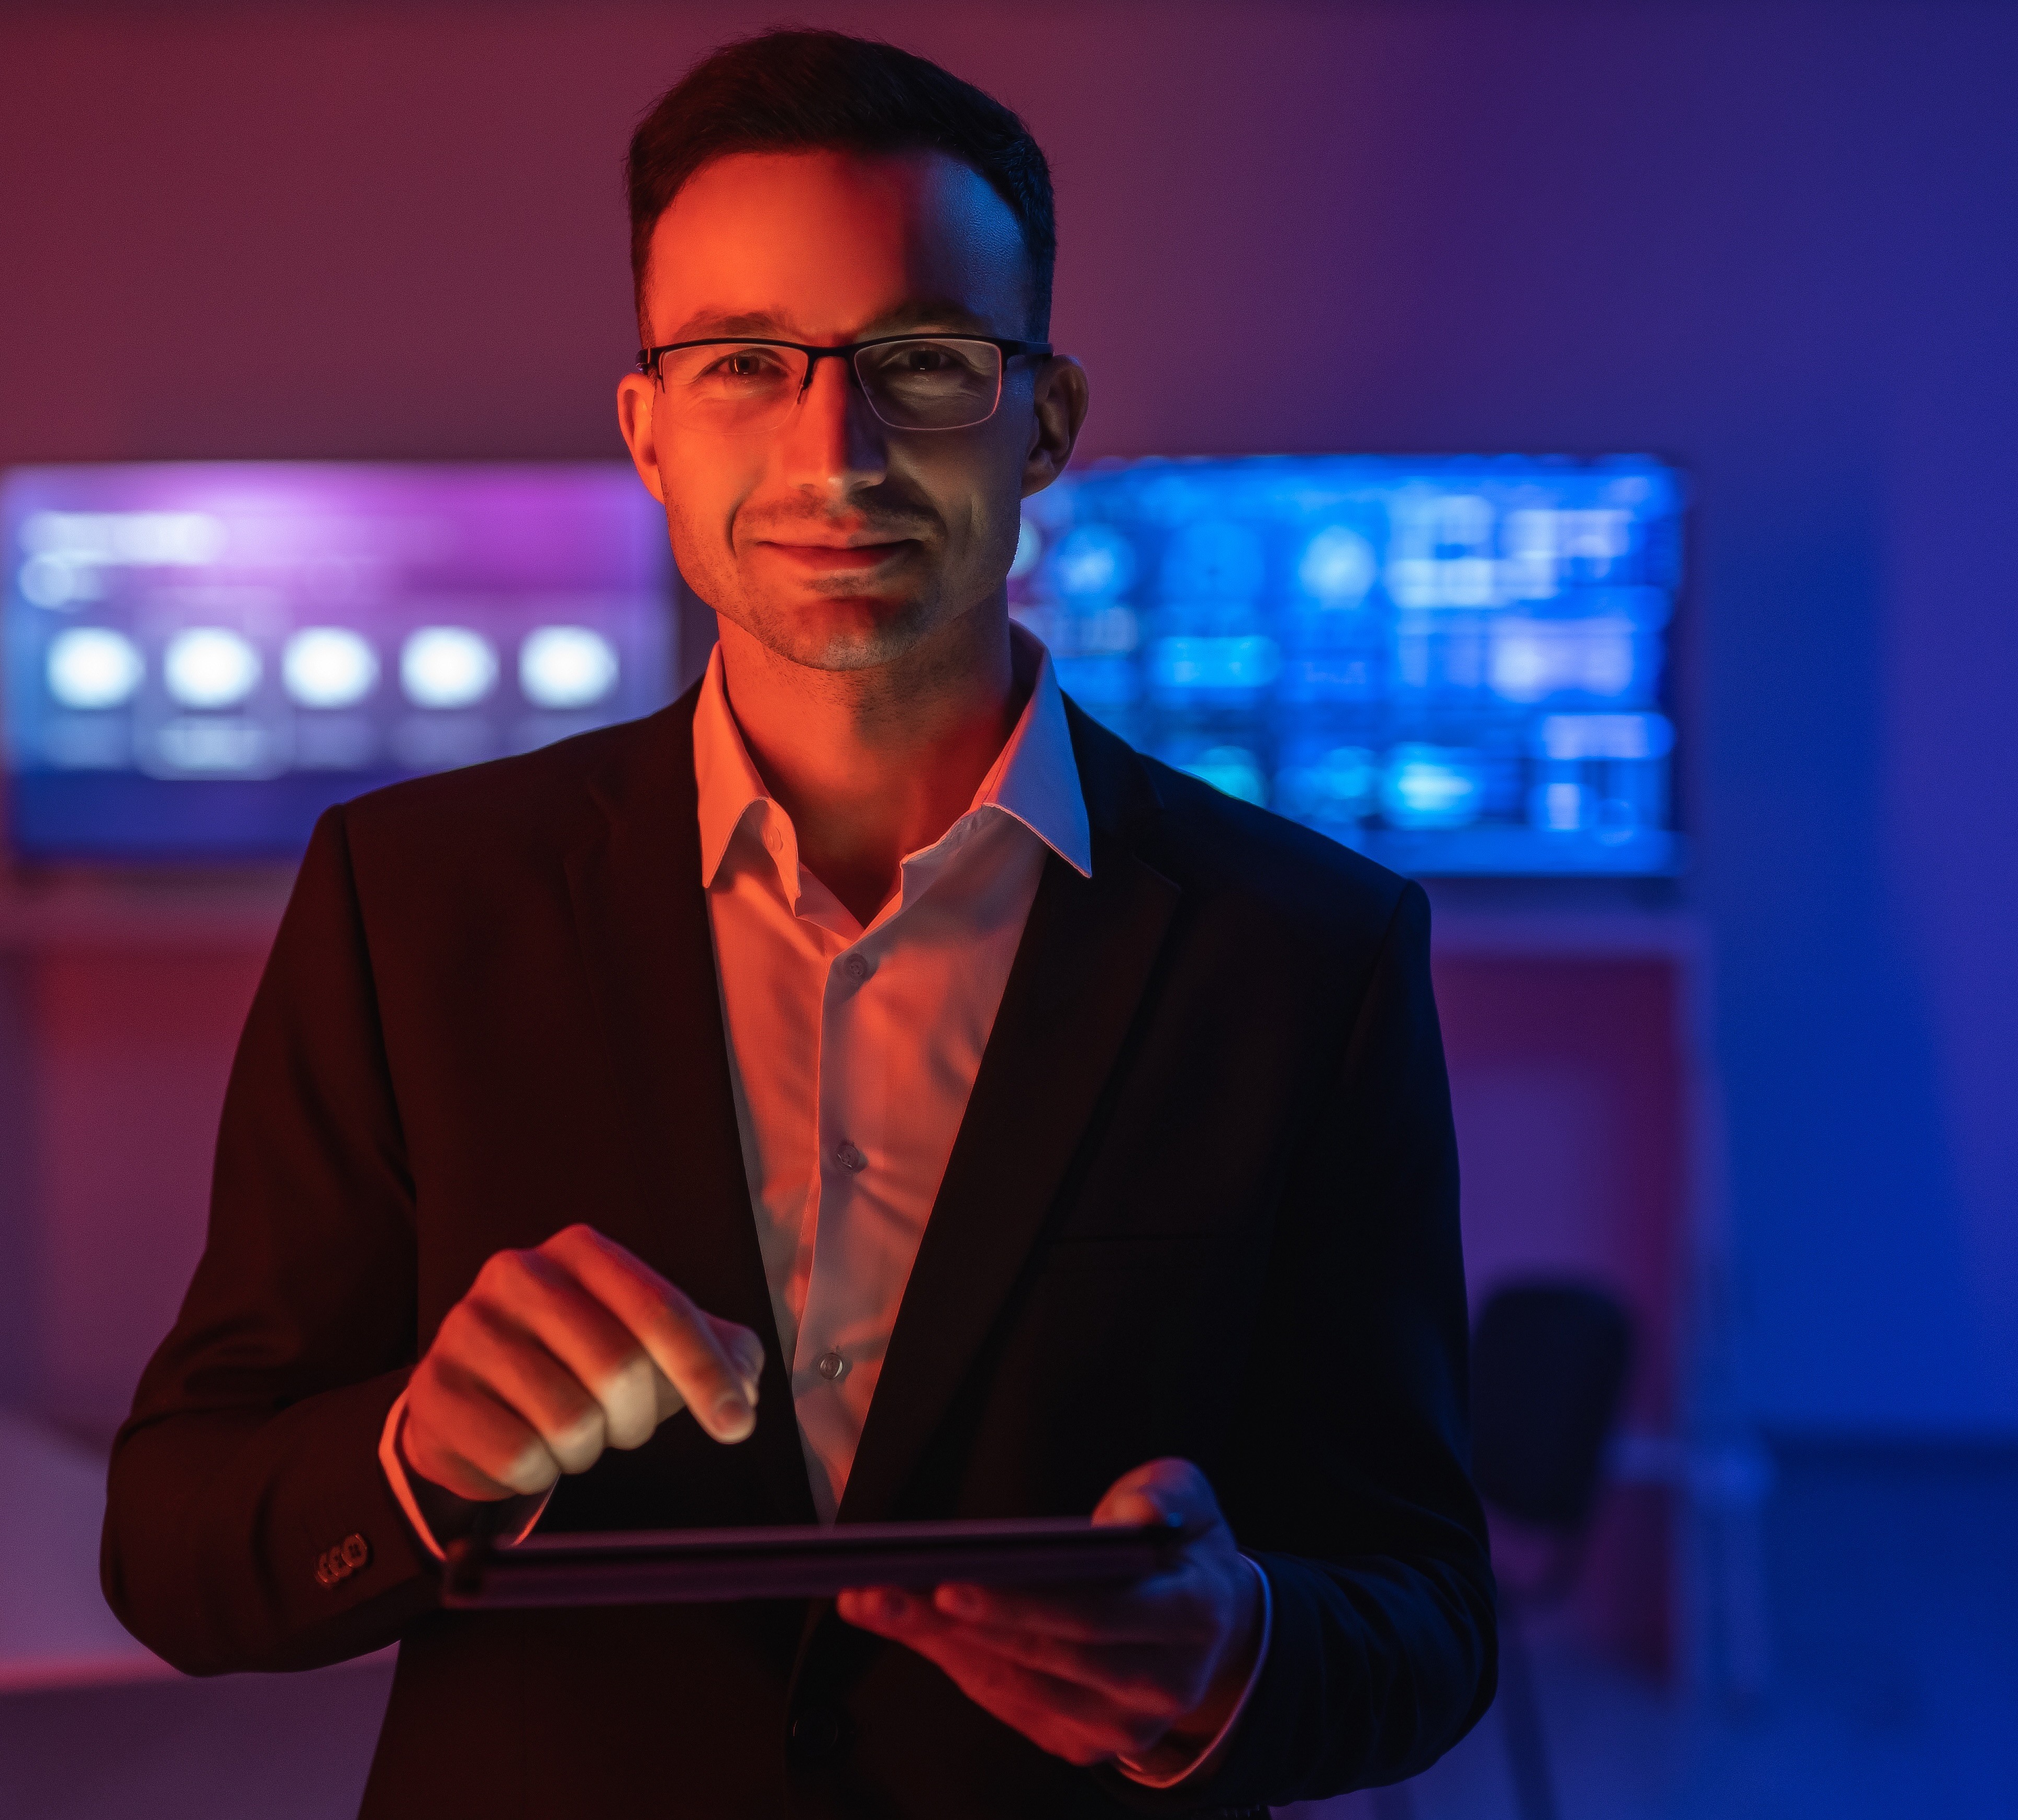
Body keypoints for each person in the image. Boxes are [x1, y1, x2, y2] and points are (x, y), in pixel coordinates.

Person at [102, 28, 1493, 1818]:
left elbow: (1426, 1605)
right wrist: (417, 1457)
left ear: (1045, 421)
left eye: (921, 363)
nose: (836, 452)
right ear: (649, 430)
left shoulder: (1307, 949)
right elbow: (179, 1545)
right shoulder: (410, 899)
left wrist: (1235, 1659)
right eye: (747, 362)